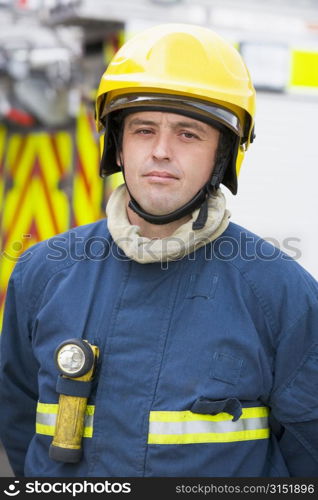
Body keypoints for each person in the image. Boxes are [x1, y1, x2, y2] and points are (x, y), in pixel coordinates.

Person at [0, 23, 318, 478]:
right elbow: (18, 424)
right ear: (118, 144)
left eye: (188, 134)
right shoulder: (42, 273)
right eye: (144, 129)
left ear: (223, 156)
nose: (161, 151)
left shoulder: (281, 294)